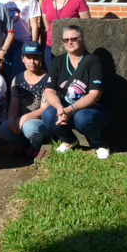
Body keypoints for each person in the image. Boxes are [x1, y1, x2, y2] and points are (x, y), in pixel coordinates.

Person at [41, 25, 113, 159]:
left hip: (92, 109)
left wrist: (71, 109)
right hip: (65, 106)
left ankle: (99, 143)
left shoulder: (93, 61)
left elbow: (95, 94)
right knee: (48, 115)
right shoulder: (58, 61)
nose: (69, 42)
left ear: (82, 40)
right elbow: (50, 90)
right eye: (66, 40)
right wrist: (59, 108)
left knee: (82, 118)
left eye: (74, 39)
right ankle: (69, 140)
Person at [0, 41, 53, 159]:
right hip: (21, 120)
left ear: (41, 58)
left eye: (36, 58)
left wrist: (25, 118)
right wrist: (12, 119)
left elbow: (44, 109)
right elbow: (14, 105)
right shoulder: (17, 78)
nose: (32, 62)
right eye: (28, 57)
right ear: (22, 58)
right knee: (3, 128)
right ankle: (22, 143)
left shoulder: (48, 79)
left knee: (30, 127)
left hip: (39, 121)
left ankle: (37, 145)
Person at [0, 0, 42, 82]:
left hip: (23, 42)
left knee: (17, 75)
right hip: (6, 43)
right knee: (5, 75)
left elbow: (34, 24)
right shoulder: (1, 1)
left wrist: (33, 44)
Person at [41, 0, 91, 64]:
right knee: (53, 77)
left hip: (73, 47)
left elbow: (87, 25)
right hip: (51, 47)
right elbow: (47, 26)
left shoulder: (77, 0)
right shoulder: (47, 1)